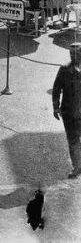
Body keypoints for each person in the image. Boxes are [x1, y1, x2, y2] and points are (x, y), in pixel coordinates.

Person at [53, 43, 81, 178]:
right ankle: (77, 166)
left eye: (76, 54)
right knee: (73, 141)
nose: (73, 56)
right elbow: (56, 89)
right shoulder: (64, 70)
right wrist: (55, 107)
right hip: (69, 113)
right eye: (71, 53)